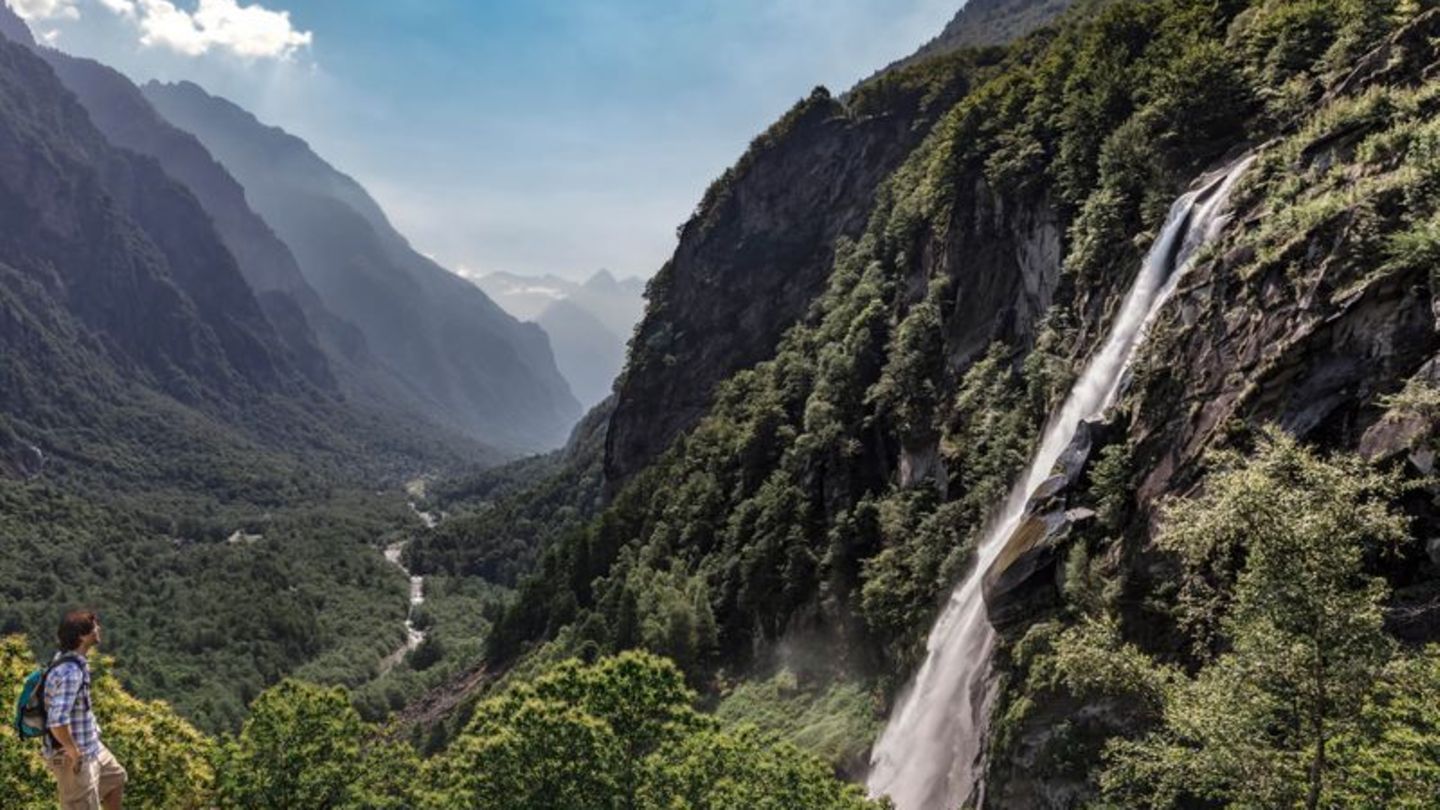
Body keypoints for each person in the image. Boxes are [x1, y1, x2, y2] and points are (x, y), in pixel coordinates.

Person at [43, 610, 126, 810]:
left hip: (93, 748)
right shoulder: (70, 672)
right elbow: (57, 721)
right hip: (75, 757)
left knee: (116, 778)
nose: (99, 628)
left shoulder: (69, 660)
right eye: (94, 626)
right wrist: (74, 752)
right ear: (82, 636)